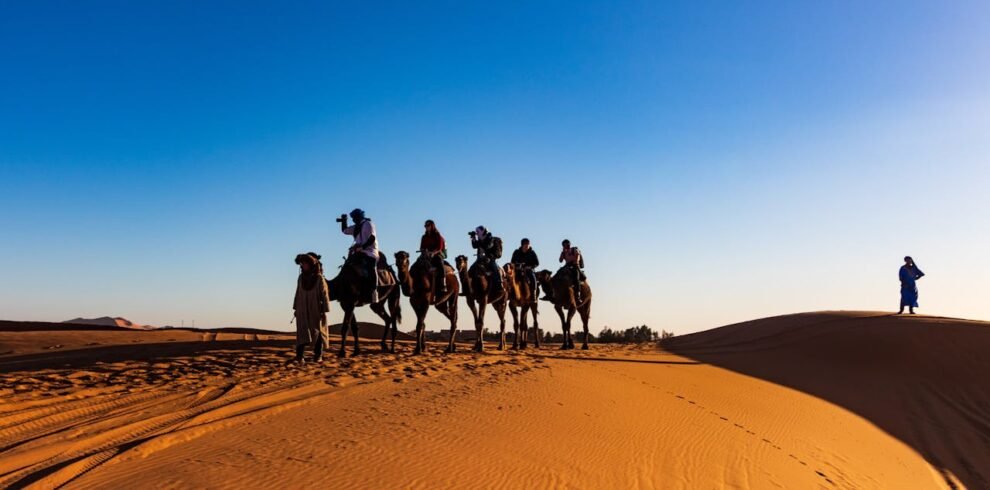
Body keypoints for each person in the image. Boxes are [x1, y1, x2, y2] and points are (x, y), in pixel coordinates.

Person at [293, 253, 330, 363]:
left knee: (317, 332)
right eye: (302, 263)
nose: (303, 265)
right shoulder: (301, 278)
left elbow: (325, 295)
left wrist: (324, 310)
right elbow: (298, 293)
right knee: (301, 332)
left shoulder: (319, 278)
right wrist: (296, 308)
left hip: (316, 308)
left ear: (310, 264)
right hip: (302, 308)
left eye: (305, 263)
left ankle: (318, 355)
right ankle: (299, 357)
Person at [339, 208, 380, 303]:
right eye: (352, 218)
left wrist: (362, 247)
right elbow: (345, 230)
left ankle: (374, 292)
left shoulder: (368, 224)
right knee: (347, 266)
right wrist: (343, 220)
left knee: (371, 267)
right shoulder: (356, 226)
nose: (353, 219)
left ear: (359, 217)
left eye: (354, 217)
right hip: (358, 252)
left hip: (370, 251)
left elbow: (372, 238)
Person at [470, 225, 503, 292]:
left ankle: (500, 285)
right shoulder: (480, 240)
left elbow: (488, 246)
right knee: (471, 269)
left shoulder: (490, 238)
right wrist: (473, 238)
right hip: (480, 259)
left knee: (495, 269)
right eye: (476, 232)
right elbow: (474, 246)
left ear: (483, 231)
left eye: (478, 232)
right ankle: (469, 288)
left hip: (490, 258)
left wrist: (480, 242)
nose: (477, 233)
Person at [419, 219, 448, 296]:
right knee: (416, 265)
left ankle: (443, 284)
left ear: (432, 226)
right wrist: (424, 251)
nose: (426, 227)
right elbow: (421, 247)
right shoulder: (424, 237)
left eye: (428, 226)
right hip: (426, 255)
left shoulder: (438, 236)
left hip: (436, 254)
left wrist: (432, 253)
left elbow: (439, 247)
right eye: (425, 226)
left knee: (440, 264)